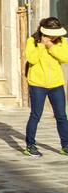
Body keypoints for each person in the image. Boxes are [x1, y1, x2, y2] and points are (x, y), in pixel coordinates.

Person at [25, 17, 68, 156]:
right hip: (38, 84)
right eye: (51, 34)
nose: (54, 37)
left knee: (61, 116)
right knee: (36, 115)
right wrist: (42, 46)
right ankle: (30, 145)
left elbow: (66, 58)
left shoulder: (61, 42)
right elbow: (32, 59)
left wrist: (52, 48)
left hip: (56, 84)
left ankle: (66, 145)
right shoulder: (32, 41)